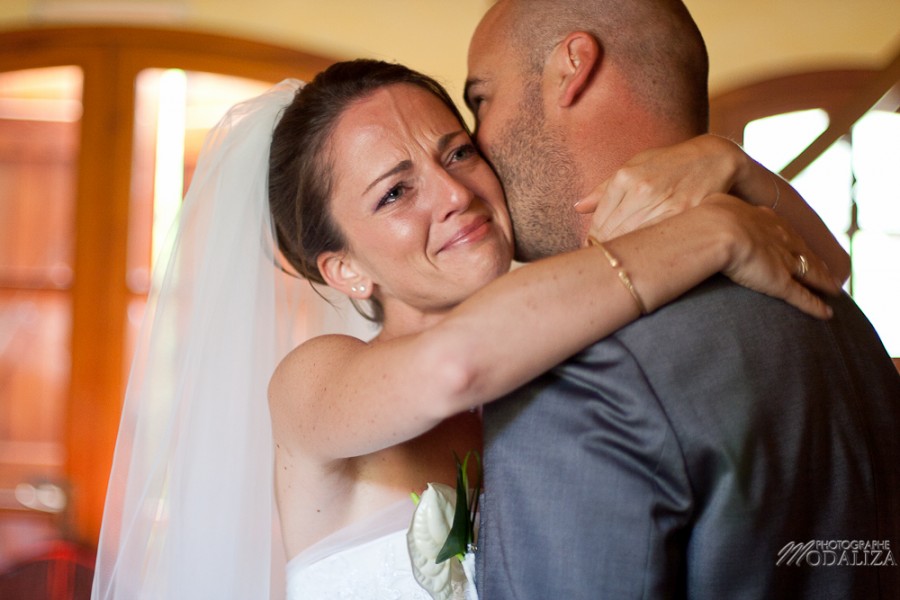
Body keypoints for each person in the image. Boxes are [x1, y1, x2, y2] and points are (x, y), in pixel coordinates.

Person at [91, 59, 843, 600]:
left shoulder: (562, 337)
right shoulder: (313, 381)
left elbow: (826, 271)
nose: (454, 193)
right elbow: (454, 365)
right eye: (395, 193)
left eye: (457, 150)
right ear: (346, 271)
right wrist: (713, 234)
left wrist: (727, 166)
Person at [466, 1, 900, 598]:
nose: (474, 148)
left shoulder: (583, 362)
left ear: (572, 68)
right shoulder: (843, 314)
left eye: (480, 99)